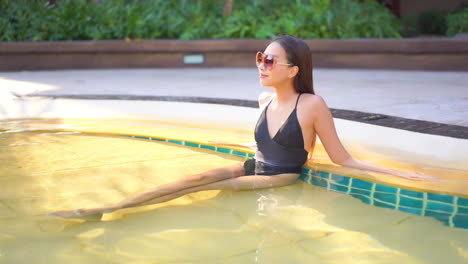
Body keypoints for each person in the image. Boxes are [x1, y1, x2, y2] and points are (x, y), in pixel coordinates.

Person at [48, 35, 437, 220]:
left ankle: (119, 213)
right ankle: (109, 208)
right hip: (252, 166)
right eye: (260, 58)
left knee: (212, 188)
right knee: (196, 177)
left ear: (293, 70)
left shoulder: (312, 105)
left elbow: (343, 159)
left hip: (278, 178)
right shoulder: (263, 100)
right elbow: (260, 145)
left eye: (270, 60)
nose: (262, 65)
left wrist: (402, 172)